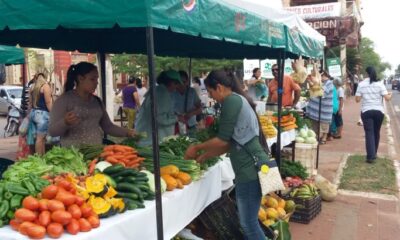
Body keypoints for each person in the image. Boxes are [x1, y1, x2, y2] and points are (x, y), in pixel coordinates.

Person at [184, 70, 268, 240]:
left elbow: (222, 140)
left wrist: (197, 147)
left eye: (211, 91)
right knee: (249, 223)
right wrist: (204, 156)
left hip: (250, 169)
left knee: (249, 225)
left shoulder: (231, 101)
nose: (211, 96)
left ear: (219, 87)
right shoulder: (237, 100)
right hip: (252, 166)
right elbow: (229, 143)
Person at [48, 62, 135, 147]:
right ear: (80, 79)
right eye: (92, 79)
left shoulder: (97, 101)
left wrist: (127, 132)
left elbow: (108, 126)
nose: (96, 83)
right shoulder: (64, 100)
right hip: (72, 156)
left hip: (96, 153)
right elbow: (52, 132)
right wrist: (65, 122)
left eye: (97, 79)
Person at [135, 70, 182, 146]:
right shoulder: (162, 94)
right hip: (151, 141)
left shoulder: (157, 91)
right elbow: (159, 119)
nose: (176, 87)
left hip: (147, 138)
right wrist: (177, 118)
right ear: (171, 83)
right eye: (176, 84)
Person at [355, 66, 391, 163]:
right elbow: (387, 98)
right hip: (379, 112)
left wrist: (364, 95)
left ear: (366, 74)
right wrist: (390, 94)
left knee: (369, 133)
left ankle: (370, 156)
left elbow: (357, 100)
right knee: (376, 132)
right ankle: (374, 153)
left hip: (366, 111)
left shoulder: (361, 84)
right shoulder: (380, 84)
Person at [306, 70, 334, 144]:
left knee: (324, 125)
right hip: (316, 108)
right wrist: (310, 82)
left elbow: (322, 93)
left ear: (325, 76)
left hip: (324, 109)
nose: (319, 77)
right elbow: (313, 89)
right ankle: (316, 137)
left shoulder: (329, 83)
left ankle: (323, 138)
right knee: (314, 125)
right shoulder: (319, 82)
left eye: (320, 76)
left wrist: (314, 83)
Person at [29, 73, 53, 155]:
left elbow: (30, 103)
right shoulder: (45, 86)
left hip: (33, 113)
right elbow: (48, 102)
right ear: (44, 78)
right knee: (40, 139)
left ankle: (42, 157)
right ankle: (39, 159)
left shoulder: (32, 87)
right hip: (42, 115)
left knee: (40, 139)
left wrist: (28, 115)